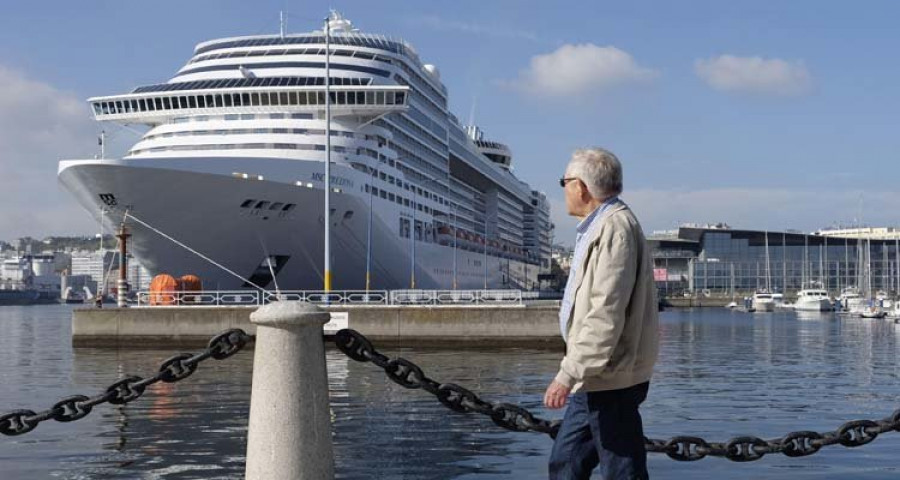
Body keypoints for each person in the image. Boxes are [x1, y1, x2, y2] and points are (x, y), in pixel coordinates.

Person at [544, 148, 659, 480]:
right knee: (566, 463)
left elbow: (604, 313)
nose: (563, 189)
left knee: (620, 469)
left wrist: (566, 375)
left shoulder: (614, 229)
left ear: (580, 187)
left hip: (611, 374)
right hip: (596, 374)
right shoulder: (601, 227)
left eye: (564, 182)